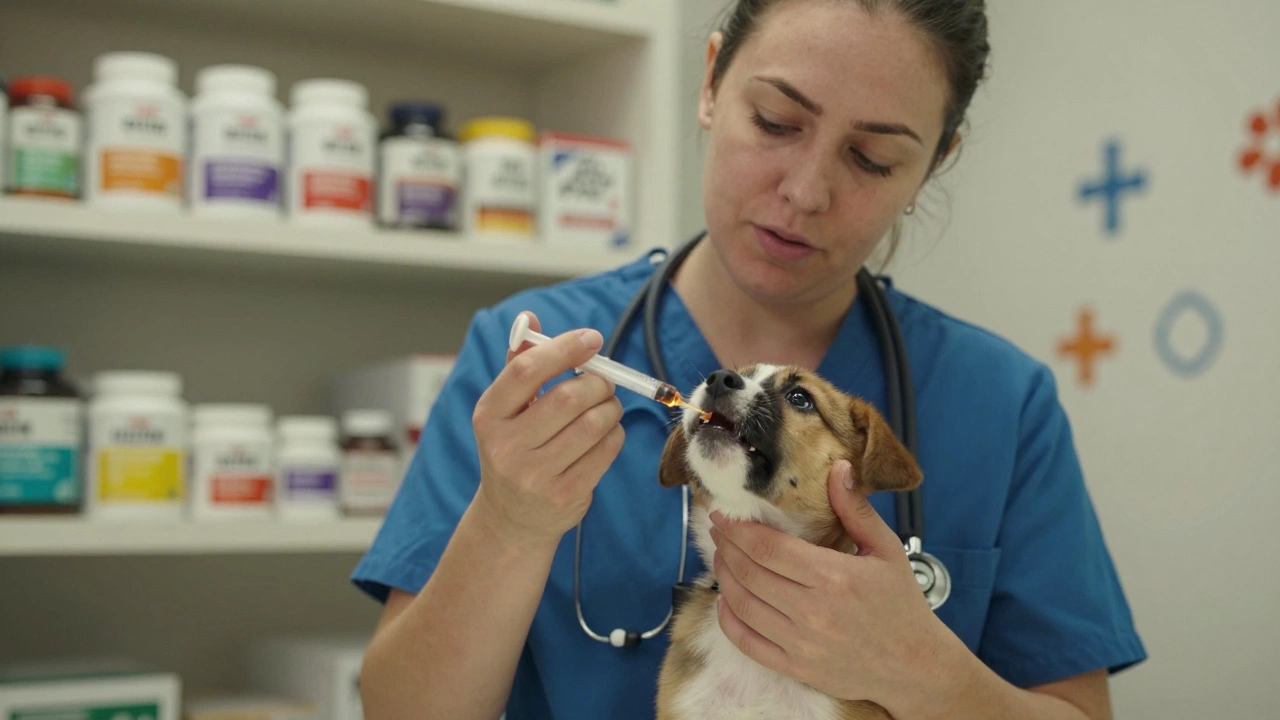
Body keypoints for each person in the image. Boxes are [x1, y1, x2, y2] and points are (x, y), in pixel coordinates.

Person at [351, 0, 1148, 717]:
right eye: (775, 120)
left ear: (933, 163)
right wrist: (509, 525)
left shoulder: (1000, 404)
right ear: (710, 83)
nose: (805, 191)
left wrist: (928, 675)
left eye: (871, 159)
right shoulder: (534, 355)